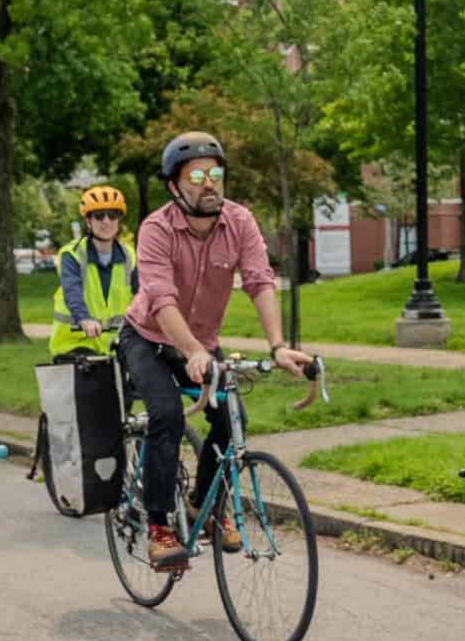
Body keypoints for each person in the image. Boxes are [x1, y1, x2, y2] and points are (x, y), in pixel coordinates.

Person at [120, 132, 314, 569]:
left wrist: (278, 346)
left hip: (202, 343)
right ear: (176, 186)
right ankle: (158, 528)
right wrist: (190, 350)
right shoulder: (155, 228)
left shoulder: (240, 221)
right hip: (148, 338)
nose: (210, 183)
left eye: (215, 173)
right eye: (197, 176)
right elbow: (161, 300)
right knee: (166, 413)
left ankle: (201, 506)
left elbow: (260, 282)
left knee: (232, 419)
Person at [49, 185, 136, 358]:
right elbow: (71, 290)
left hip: (115, 345)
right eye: (99, 216)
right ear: (88, 221)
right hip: (74, 344)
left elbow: (143, 293)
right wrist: (84, 318)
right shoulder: (72, 254)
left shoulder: (129, 255)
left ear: (119, 221)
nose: (106, 221)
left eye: (112, 216)